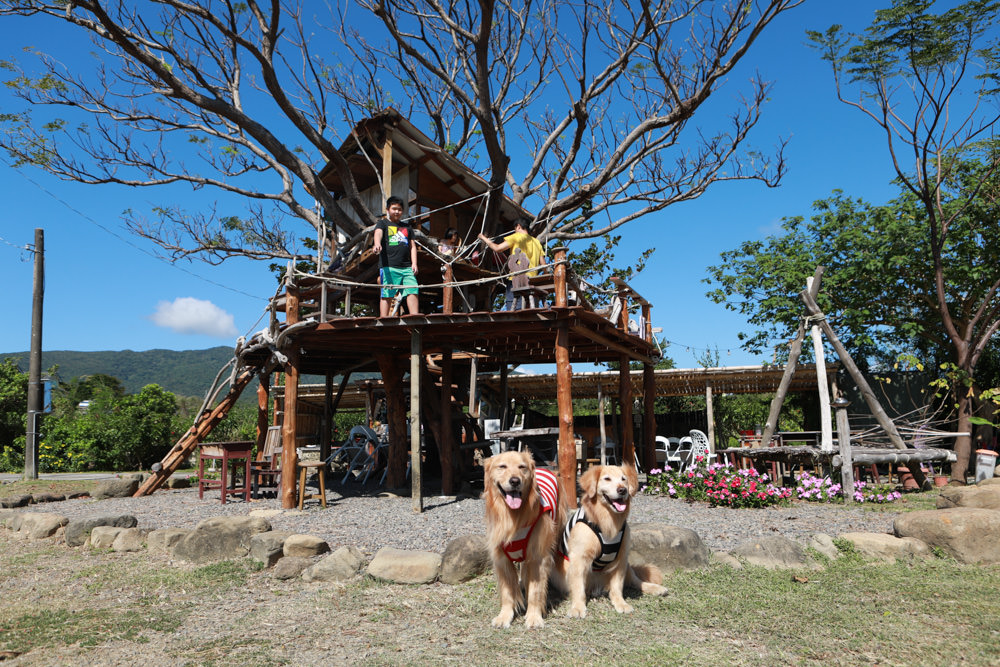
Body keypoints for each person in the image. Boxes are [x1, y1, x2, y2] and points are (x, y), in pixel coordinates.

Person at [478, 218, 545, 309]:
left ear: (518, 226)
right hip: (532, 281)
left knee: (513, 308)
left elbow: (497, 248)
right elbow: (544, 265)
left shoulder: (516, 237)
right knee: (528, 308)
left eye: (515, 228)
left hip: (517, 280)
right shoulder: (537, 242)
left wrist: (483, 238)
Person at [372, 195, 419, 316]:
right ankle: (384, 318)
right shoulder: (383, 223)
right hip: (389, 266)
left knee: (413, 289)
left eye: (399, 209)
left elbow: (413, 246)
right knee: (387, 293)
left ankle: (415, 317)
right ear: (388, 209)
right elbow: (378, 233)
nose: (397, 211)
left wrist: (414, 263)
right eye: (394, 209)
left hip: (407, 267)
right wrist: (377, 244)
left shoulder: (407, 227)